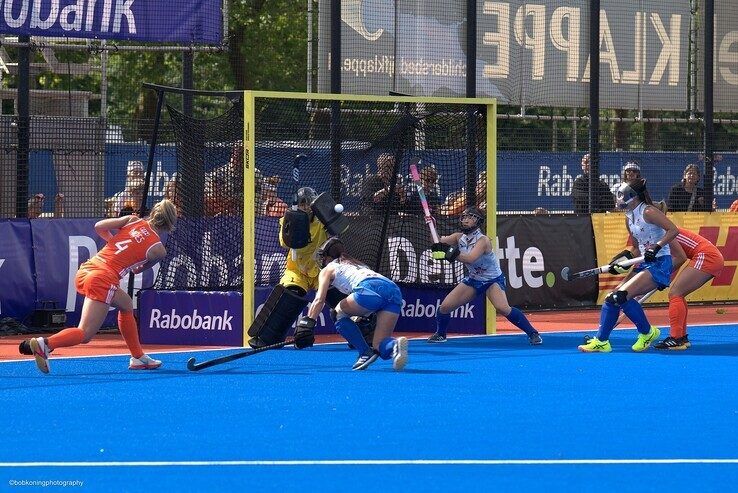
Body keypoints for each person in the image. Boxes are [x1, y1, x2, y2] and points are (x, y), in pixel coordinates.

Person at [19, 199, 178, 373]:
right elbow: (137, 270)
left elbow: (99, 226)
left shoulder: (133, 220)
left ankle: (138, 357)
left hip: (88, 269)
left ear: (154, 213)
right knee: (85, 334)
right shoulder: (158, 250)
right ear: (170, 222)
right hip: (103, 278)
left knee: (125, 305)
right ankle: (46, 345)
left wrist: (113, 241)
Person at [578, 178, 679, 352]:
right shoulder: (628, 218)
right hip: (643, 264)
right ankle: (606, 340)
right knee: (612, 298)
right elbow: (635, 247)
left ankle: (642, 334)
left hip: (660, 263)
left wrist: (656, 246)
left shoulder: (648, 212)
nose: (618, 198)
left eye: (622, 195)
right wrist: (622, 258)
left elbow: (673, 230)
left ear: (632, 196)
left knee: (621, 296)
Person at [428, 207, 542, 345]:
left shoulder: (483, 240)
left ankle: (533, 333)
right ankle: (440, 334)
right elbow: (438, 242)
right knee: (445, 307)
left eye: (469, 217)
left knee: (502, 308)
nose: (465, 220)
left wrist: (450, 252)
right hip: (474, 279)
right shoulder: (459, 237)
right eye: (464, 217)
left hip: (492, 280)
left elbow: (471, 258)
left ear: (477, 221)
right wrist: (431, 226)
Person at [297, 237, 408, 371]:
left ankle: (364, 352)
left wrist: (308, 323)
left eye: (323, 257)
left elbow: (319, 299)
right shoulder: (357, 264)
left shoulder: (328, 269)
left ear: (327, 257)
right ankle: (394, 345)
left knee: (336, 313)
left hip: (369, 289)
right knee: (379, 346)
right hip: (393, 290)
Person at [653, 227, 724, 350]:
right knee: (678, 294)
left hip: (706, 256)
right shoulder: (660, 230)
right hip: (709, 256)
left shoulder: (661, 232)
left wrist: (661, 278)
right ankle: (680, 337)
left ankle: (676, 339)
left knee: (676, 293)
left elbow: (679, 258)